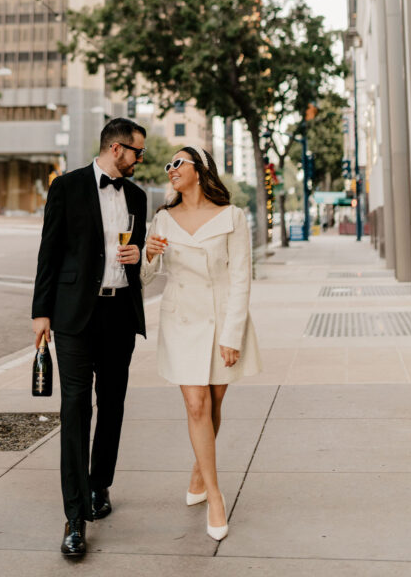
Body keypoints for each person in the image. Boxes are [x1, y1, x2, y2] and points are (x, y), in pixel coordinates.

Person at [31, 118, 148, 558]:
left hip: (119, 313)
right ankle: (75, 517)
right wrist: (41, 311)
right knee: (76, 408)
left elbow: (136, 259)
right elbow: (50, 250)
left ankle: (100, 486)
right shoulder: (67, 187)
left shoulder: (136, 195)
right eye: (138, 152)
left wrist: (137, 256)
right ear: (117, 149)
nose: (141, 160)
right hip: (74, 316)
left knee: (113, 404)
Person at [141, 146, 261, 543]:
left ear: (200, 170)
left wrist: (232, 333)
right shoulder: (162, 218)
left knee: (215, 403)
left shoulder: (232, 217)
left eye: (178, 163)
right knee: (197, 405)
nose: (170, 169)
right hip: (181, 320)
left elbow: (242, 277)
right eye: (168, 165)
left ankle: (198, 470)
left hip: (222, 317)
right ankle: (215, 496)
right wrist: (148, 255)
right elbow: (144, 278)